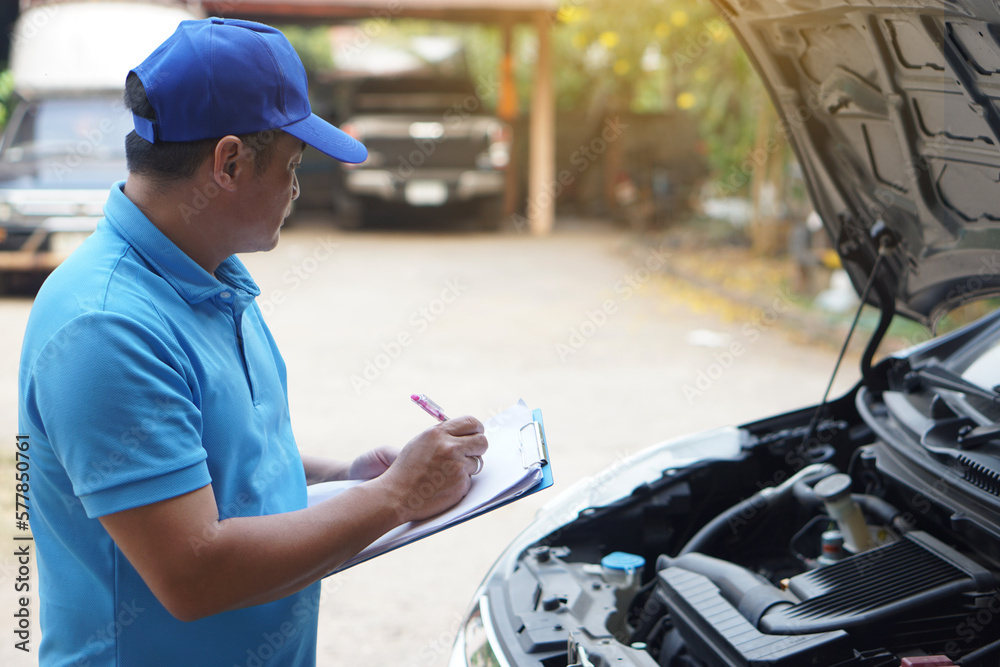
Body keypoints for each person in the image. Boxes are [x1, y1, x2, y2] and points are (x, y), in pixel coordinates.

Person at [17, 17, 487, 666]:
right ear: (230, 162)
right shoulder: (106, 326)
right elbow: (193, 571)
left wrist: (342, 479)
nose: (296, 188)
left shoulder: (210, 272)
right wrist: (397, 496)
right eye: (293, 166)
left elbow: (222, 457)